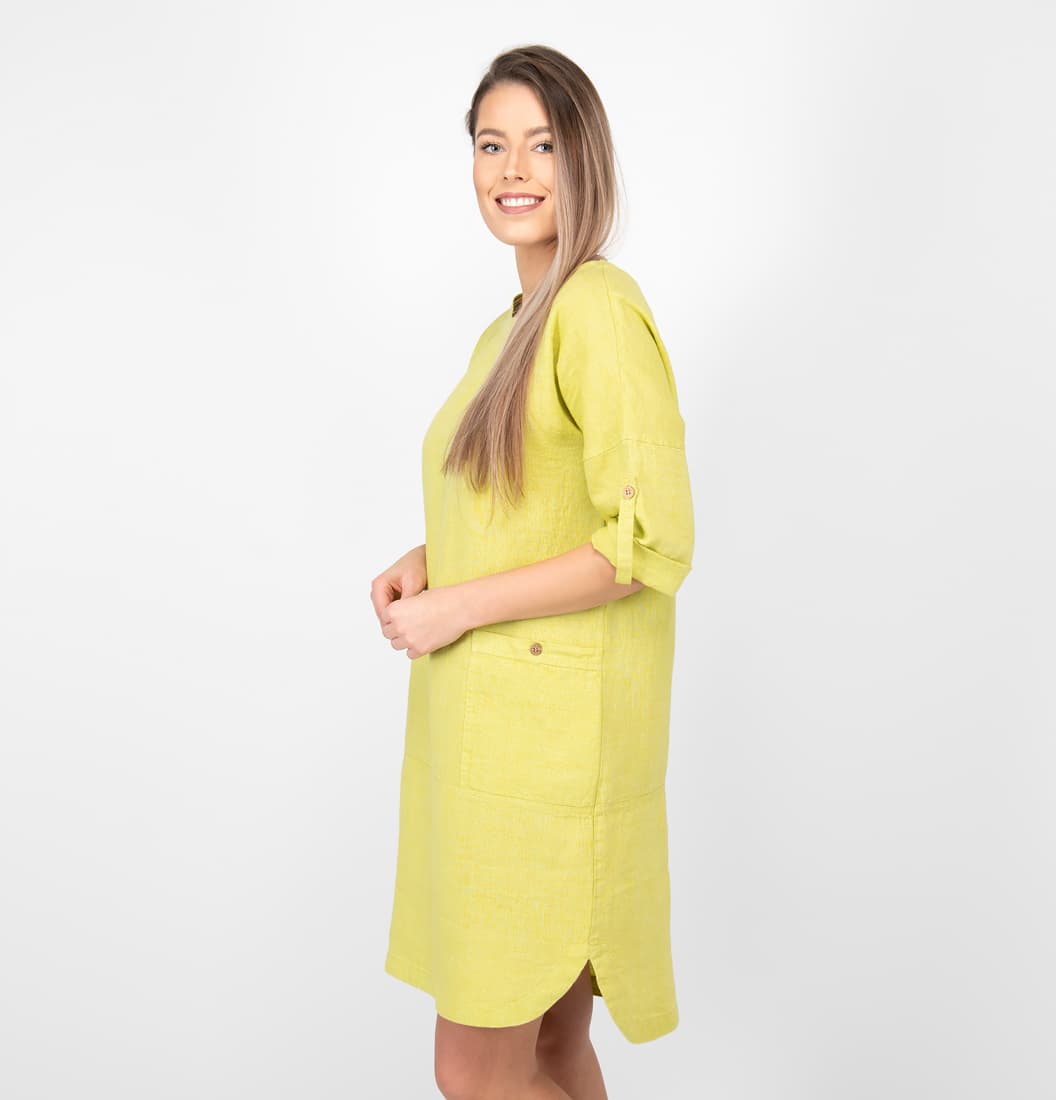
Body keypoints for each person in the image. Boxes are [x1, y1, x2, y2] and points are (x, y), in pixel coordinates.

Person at [372, 44, 695, 1100]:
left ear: (583, 157)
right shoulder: (514, 326)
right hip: (500, 743)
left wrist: (459, 605)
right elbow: (535, 506)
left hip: (546, 764)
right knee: (550, 1048)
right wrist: (433, 559)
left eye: (542, 144)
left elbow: (645, 540)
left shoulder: (595, 308)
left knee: (474, 1071)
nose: (512, 168)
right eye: (490, 143)